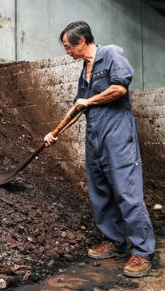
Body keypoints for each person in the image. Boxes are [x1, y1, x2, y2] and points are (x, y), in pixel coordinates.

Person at [44, 21, 156, 278]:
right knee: (100, 191)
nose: (67, 52)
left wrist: (89, 100)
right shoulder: (85, 70)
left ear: (82, 41)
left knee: (127, 193)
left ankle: (142, 250)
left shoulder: (111, 54)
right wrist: (55, 133)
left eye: (68, 46)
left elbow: (120, 88)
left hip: (118, 136)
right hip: (95, 139)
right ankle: (115, 241)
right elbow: (77, 108)